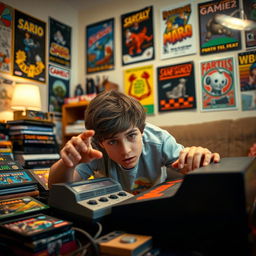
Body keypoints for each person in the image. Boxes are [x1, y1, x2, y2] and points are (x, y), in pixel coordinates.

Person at [48, 90, 220, 194]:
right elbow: (57, 188)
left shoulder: (160, 141)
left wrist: (199, 158)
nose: (126, 151)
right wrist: (67, 163)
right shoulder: (93, 151)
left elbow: (193, 168)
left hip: (153, 208)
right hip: (112, 209)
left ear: (142, 131)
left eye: (131, 136)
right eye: (113, 142)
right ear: (100, 142)